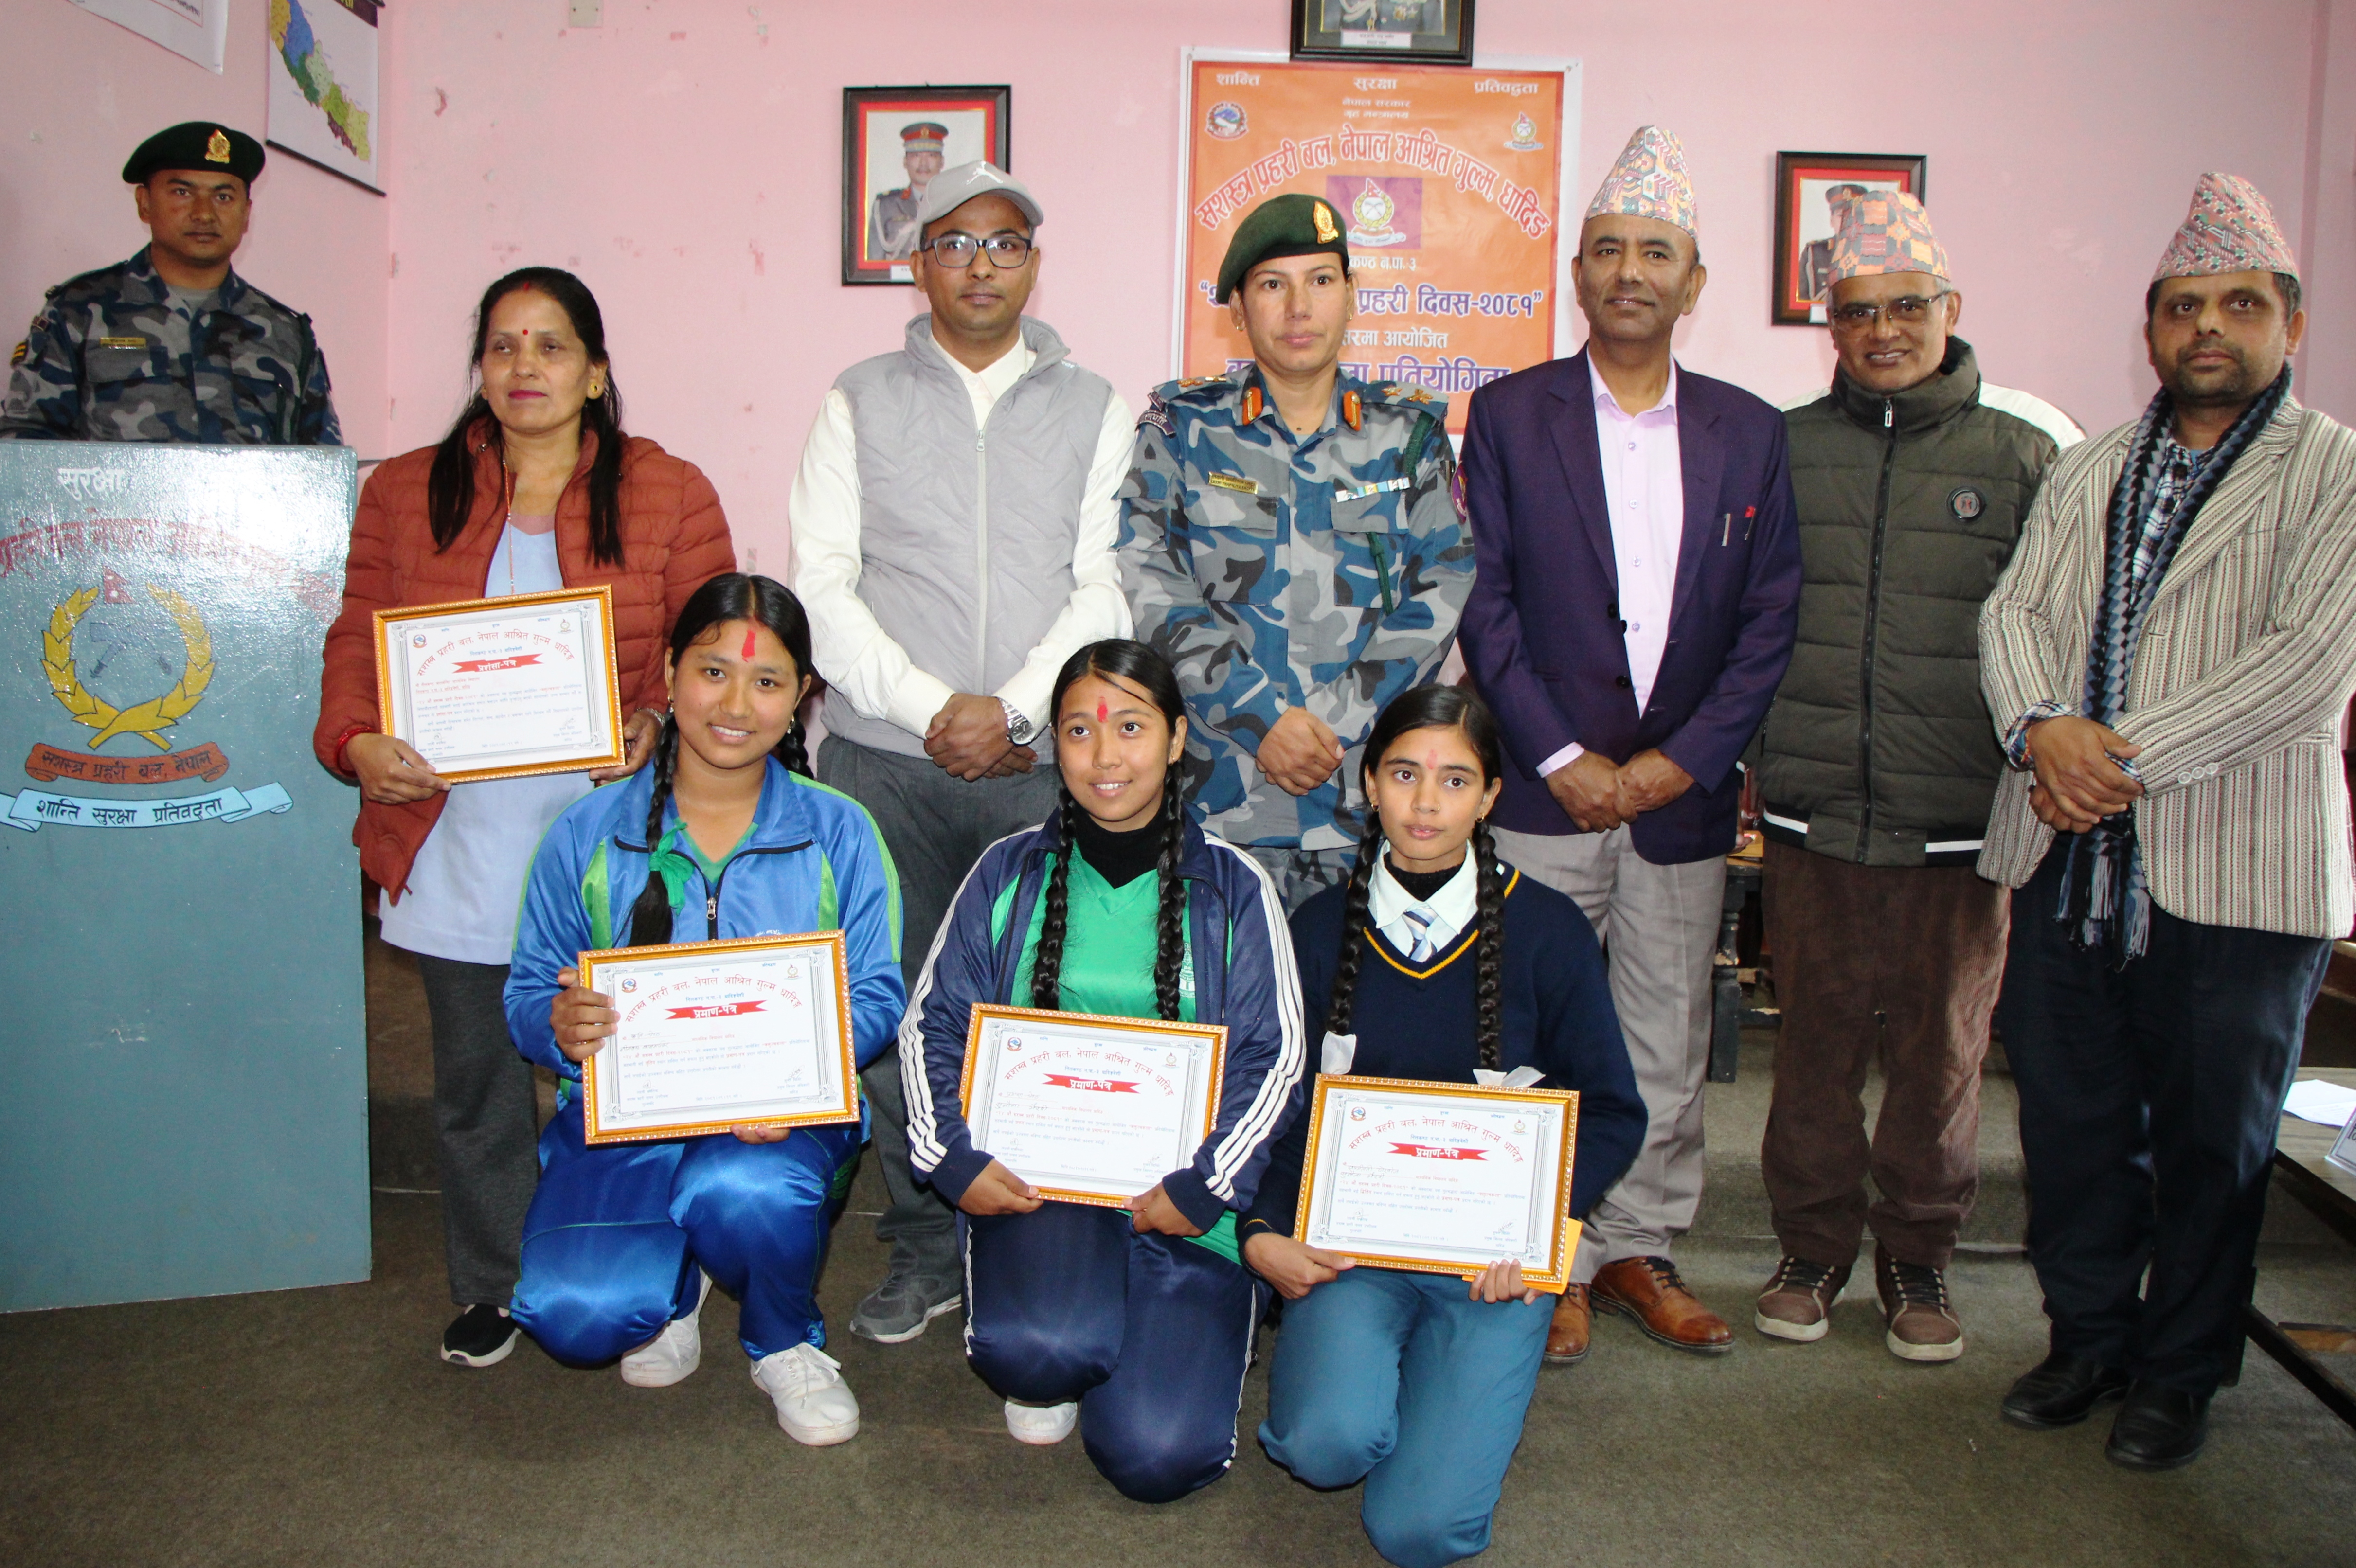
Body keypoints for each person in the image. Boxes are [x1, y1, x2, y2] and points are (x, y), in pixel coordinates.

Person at [1980, 173, 2356, 1470]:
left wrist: (2105, 759)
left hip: (2237, 875)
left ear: (2288, 322)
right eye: (2183, 306)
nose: (2208, 327)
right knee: (2072, 1130)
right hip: (2067, 868)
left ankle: (2180, 1374)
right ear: (2148, 329)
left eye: (2237, 304)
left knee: (2213, 1145)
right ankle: (2087, 1339)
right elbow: (2013, 616)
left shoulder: (2335, 474)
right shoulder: (2085, 468)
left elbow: (2307, 663)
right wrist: (2039, 728)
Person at [314, 266, 734, 1368]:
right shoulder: (405, 490)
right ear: (479, 370)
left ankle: (649, 1271)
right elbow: (358, 636)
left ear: (595, 373)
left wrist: (654, 715)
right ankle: (491, 1281)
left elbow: (717, 646)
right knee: (476, 1081)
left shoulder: (668, 488)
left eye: (551, 346)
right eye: (502, 346)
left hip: (613, 836)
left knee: (627, 1066)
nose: (524, 366)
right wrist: (356, 741)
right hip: (456, 833)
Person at [1457, 125, 1801, 1366]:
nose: (1627, 271)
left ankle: (1638, 1248)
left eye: (1653, 251)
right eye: (1604, 249)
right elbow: (1483, 603)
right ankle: (1541, 1247)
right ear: (1578, 275)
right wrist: (1556, 755)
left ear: (1691, 281)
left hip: (1676, 799)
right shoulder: (1506, 415)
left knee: (1665, 1028)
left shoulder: (1747, 432)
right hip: (1544, 795)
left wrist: (1676, 764)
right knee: (1531, 1025)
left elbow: (1767, 622)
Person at [790, 159, 1134, 1346]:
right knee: (890, 1016)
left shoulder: (1097, 405)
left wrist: (1018, 712)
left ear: (1033, 263)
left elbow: (1104, 581)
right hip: (886, 762)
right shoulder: (857, 396)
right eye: (952, 242)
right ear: (914, 260)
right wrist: (937, 704)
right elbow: (823, 582)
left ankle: (1035, 1243)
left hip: (1042, 762)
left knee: (1044, 1005)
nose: (978, 263)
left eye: (1002, 243)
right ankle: (926, 1245)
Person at [1751, 191, 2083, 1361]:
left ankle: (1918, 1251)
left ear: (1948, 308)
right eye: (1854, 312)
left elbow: (2064, 626)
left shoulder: (2024, 453)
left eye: (1903, 306)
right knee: (1812, 1046)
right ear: (1827, 324)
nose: (1880, 329)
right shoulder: (1784, 447)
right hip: (1810, 812)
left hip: (1960, 818)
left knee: (1941, 1052)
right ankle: (1808, 1245)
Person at [1245, 685, 1645, 1568]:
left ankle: (1452, 1373)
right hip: (1353, 1253)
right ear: (1368, 785)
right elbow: (1279, 1106)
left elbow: (1615, 1109)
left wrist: (1543, 1223)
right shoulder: (1316, 928)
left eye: (1455, 779)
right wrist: (1263, 1229)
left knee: (1418, 1533)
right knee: (1323, 1446)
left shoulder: (1548, 931)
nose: (1426, 803)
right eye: (1402, 773)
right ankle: (1385, 1372)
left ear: (1491, 795)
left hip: (1489, 1267)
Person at [900, 639, 1305, 1501]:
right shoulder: (1006, 869)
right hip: (1043, 1187)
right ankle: (1064, 1329)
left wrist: (1205, 1186)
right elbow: (933, 1021)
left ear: (1173, 738)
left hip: (1185, 1204)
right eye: (1079, 730)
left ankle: (1139, 1335)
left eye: (1130, 725)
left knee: (1157, 1456)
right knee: (1036, 1353)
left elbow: (1276, 1058)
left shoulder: (1236, 885)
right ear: (1054, 745)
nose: (1105, 753)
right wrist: (955, 1159)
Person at [503, 574, 904, 1443]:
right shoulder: (587, 830)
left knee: (745, 1185)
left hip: (777, 1125)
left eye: (765, 682)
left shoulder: (840, 830)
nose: (734, 703)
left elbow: (877, 991)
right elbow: (529, 985)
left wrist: (800, 1078)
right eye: (711, 671)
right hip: (625, 1118)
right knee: (575, 1313)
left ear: (803, 697)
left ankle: (780, 1337)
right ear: (671, 670)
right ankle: (672, 1285)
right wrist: (555, 1022)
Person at [1120, 192, 1474, 910]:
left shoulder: (1407, 436)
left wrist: (1336, 721)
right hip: (1220, 800)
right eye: (1272, 285)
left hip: (1366, 802)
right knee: (1221, 1015)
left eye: (1320, 280)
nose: (1297, 306)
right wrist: (1261, 718)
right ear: (1239, 311)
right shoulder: (1183, 430)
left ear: (1350, 297)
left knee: (1358, 1020)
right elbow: (1148, 577)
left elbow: (1444, 580)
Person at [2, 122, 339, 444]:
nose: (204, 214)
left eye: (223, 197)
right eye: (182, 192)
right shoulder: (78, 312)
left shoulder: (286, 334)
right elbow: (24, 446)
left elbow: (319, 468)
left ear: (247, 213)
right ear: (144, 203)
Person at [867, 122, 948, 263]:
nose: (924, 164)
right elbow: (875, 264)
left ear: (942, 162)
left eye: (931, 156)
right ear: (905, 162)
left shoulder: (954, 202)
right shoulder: (885, 206)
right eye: (916, 156)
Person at [1795, 183, 1869, 306]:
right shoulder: (1814, 252)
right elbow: (1802, 300)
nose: (1846, 221)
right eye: (1841, 216)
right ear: (1832, 220)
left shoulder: (1874, 252)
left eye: (1852, 215)